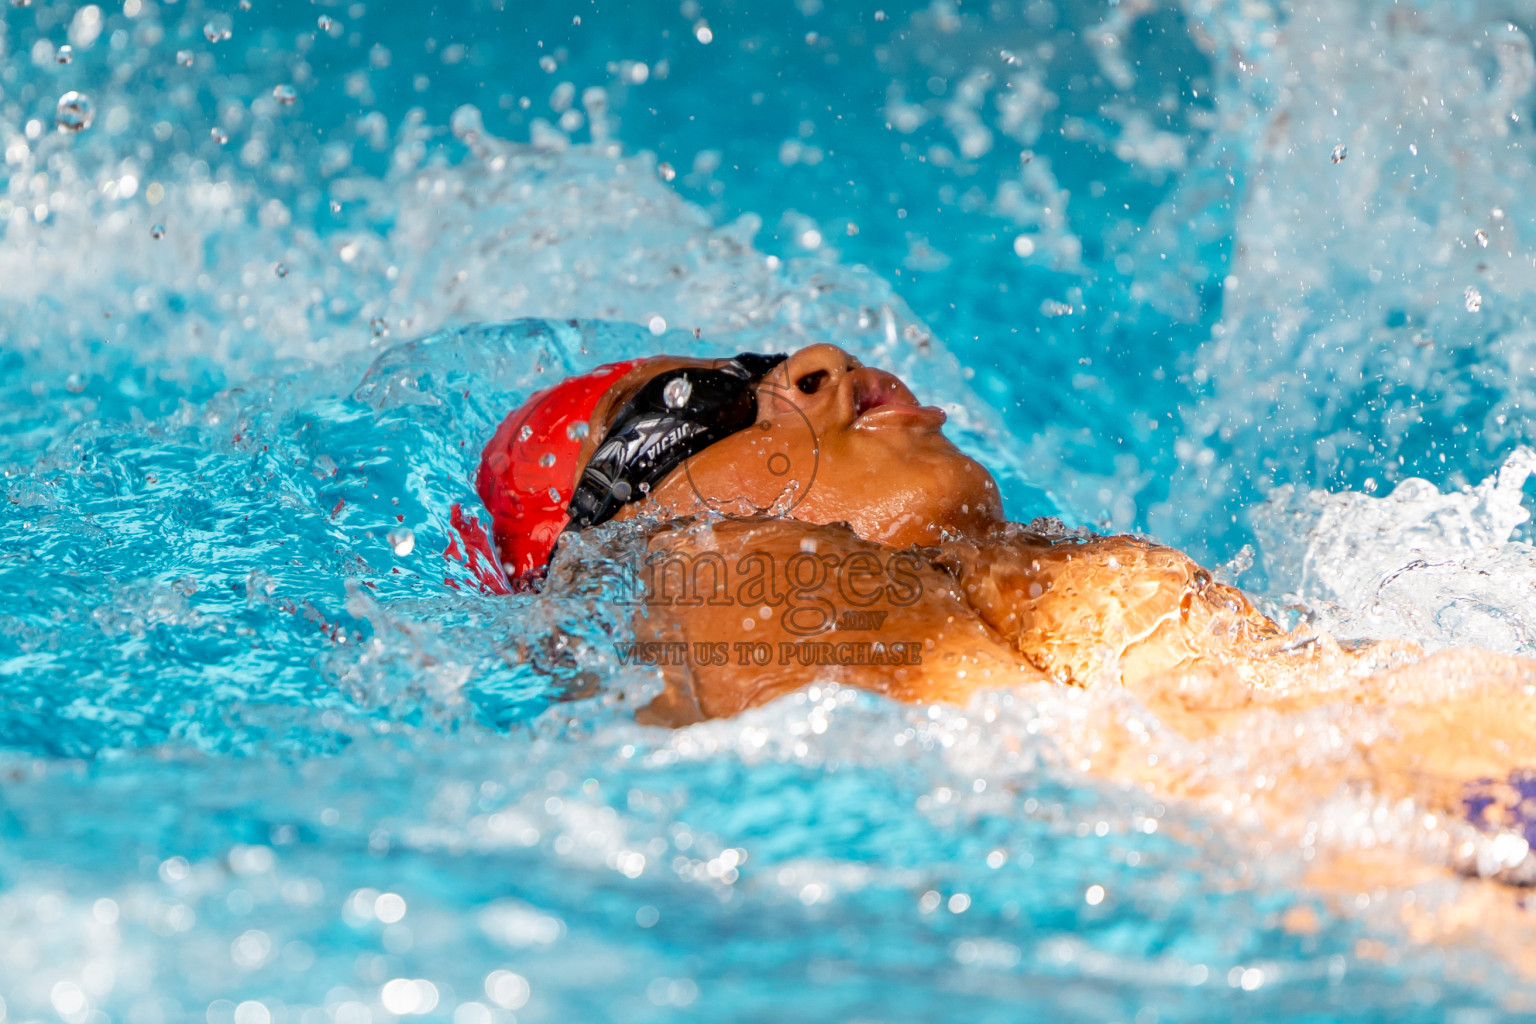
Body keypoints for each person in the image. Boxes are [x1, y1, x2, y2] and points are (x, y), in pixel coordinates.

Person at [474, 343, 1536, 890]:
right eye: (695, 407)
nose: (815, 365)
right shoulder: (720, 568)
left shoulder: (1004, 575)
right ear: (606, 551)